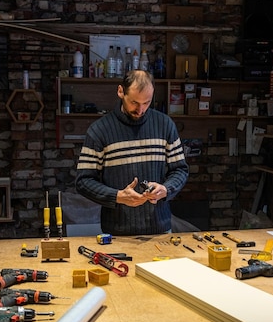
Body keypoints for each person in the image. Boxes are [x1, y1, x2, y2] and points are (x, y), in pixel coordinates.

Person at [75, 69, 189, 236]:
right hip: (116, 232)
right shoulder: (99, 130)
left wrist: (166, 189)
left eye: (147, 102)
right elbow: (83, 181)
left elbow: (180, 170)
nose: (141, 109)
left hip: (161, 229)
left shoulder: (165, 125)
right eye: (134, 102)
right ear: (121, 91)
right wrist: (118, 196)